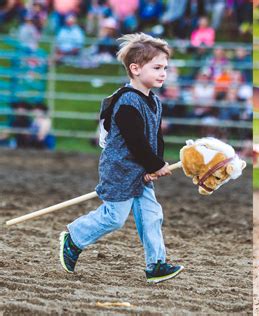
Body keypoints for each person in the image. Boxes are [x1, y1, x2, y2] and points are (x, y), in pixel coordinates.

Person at [59, 33, 184, 283]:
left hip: (142, 171)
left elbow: (154, 137)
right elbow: (135, 142)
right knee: (114, 218)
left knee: (151, 215)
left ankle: (156, 264)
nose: (163, 73)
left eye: (165, 68)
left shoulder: (154, 101)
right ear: (135, 69)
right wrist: (155, 165)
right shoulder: (127, 102)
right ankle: (74, 237)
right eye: (157, 67)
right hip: (120, 169)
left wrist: (156, 163)